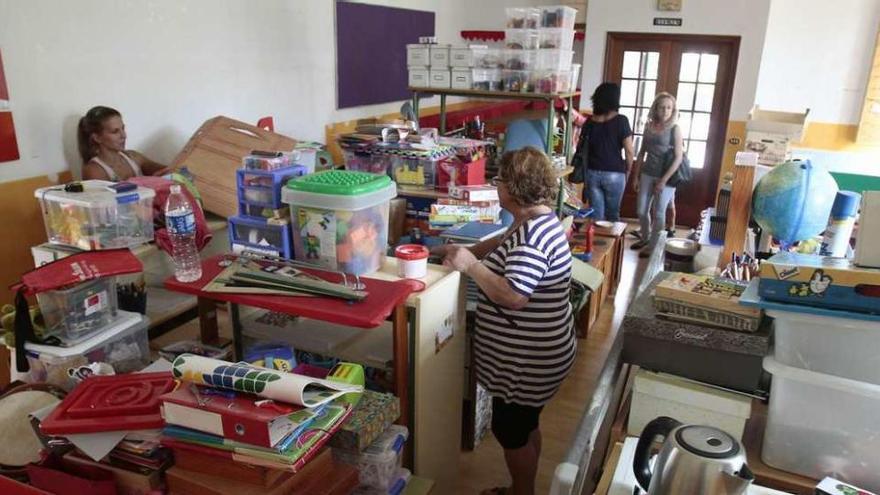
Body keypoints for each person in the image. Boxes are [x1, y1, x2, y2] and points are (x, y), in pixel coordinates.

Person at [433, 147, 575, 495]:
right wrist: (456, 251)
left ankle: (522, 492)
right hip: (541, 352)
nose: (495, 186)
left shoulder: (532, 240)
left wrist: (470, 266)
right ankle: (522, 486)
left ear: (513, 188)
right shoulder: (536, 219)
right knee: (525, 423)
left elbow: (513, 296)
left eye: (498, 180)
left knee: (510, 430)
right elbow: (501, 241)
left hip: (527, 360)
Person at [631, 92, 684, 257]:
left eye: (669, 108)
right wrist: (635, 176)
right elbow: (641, 153)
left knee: (659, 212)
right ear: (656, 108)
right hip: (647, 172)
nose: (665, 111)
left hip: (666, 177)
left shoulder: (675, 129)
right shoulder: (649, 127)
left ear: (673, 110)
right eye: (662, 107)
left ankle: (653, 246)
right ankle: (645, 238)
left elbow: (678, 157)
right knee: (641, 210)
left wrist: (664, 180)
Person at [573, 82, 634, 222]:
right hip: (615, 173)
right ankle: (613, 243)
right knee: (613, 215)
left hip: (592, 173)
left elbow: (581, 148)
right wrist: (629, 170)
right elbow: (629, 151)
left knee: (597, 217)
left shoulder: (589, 122)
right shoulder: (621, 121)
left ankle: (596, 243)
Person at [78, 106, 171, 181]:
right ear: (97, 138)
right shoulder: (94, 170)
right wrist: (150, 181)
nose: (123, 135)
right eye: (115, 131)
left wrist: (168, 173)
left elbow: (168, 170)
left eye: (123, 128)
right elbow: (110, 201)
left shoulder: (133, 157)